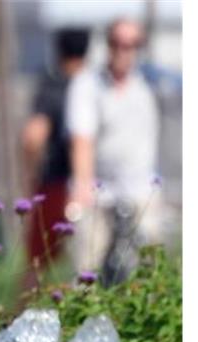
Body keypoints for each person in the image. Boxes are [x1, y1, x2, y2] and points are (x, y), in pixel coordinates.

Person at [66, 17, 161, 285]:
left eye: (131, 44)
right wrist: (82, 186)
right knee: (86, 269)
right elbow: (82, 139)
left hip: (141, 189)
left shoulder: (148, 84)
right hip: (99, 190)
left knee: (147, 271)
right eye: (117, 43)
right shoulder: (88, 84)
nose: (123, 50)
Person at [18, 27, 89, 297]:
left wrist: (31, 175)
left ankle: (15, 323)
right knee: (88, 264)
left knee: (37, 265)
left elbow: (33, 136)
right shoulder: (93, 86)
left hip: (55, 184)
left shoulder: (52, 87)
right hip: (92, 187)